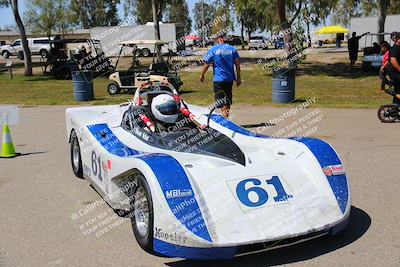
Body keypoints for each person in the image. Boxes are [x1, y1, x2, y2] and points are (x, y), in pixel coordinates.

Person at [200, 33, 241, 118]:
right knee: (227, 100)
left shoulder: (213, 49)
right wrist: (238, 78)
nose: (216, 41)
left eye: (216, 39)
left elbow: (206, 64)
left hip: (218, 80)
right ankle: (226, 118)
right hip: (229, 79)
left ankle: (224, 120)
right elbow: (237, 63)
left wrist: (202, 74)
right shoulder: (232, 49)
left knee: (222, 101)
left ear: (220, 39)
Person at [389, 32, 400, 105]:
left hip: (396, 74)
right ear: (398, 39)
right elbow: (393, 61)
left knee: (398, 91)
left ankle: (395, 108)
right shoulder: (395, 49)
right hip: (396, 74)